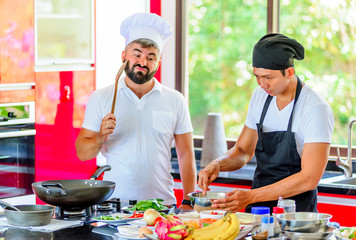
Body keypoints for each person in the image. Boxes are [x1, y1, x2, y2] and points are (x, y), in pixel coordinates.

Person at [198, 33, 334, 212]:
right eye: (257, 76)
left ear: (290, 72)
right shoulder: (260, 96)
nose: (262, 84)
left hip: (295, 213)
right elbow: (243, 151)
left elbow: (309, 178)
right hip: (257, 208)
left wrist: (251, 196)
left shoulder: (315, 108)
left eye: (268, 77)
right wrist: (217, 164)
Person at [75, 13, 196, 209]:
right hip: (114, 206)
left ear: (158, 62)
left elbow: (186, 154)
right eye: (137, 54)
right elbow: (82, 153)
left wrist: (189, 200)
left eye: (151, 57)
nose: (143, 62)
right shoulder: (102, 97)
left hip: (161, 205)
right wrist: (100, 136)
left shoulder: (175, 100)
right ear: (124, 56)